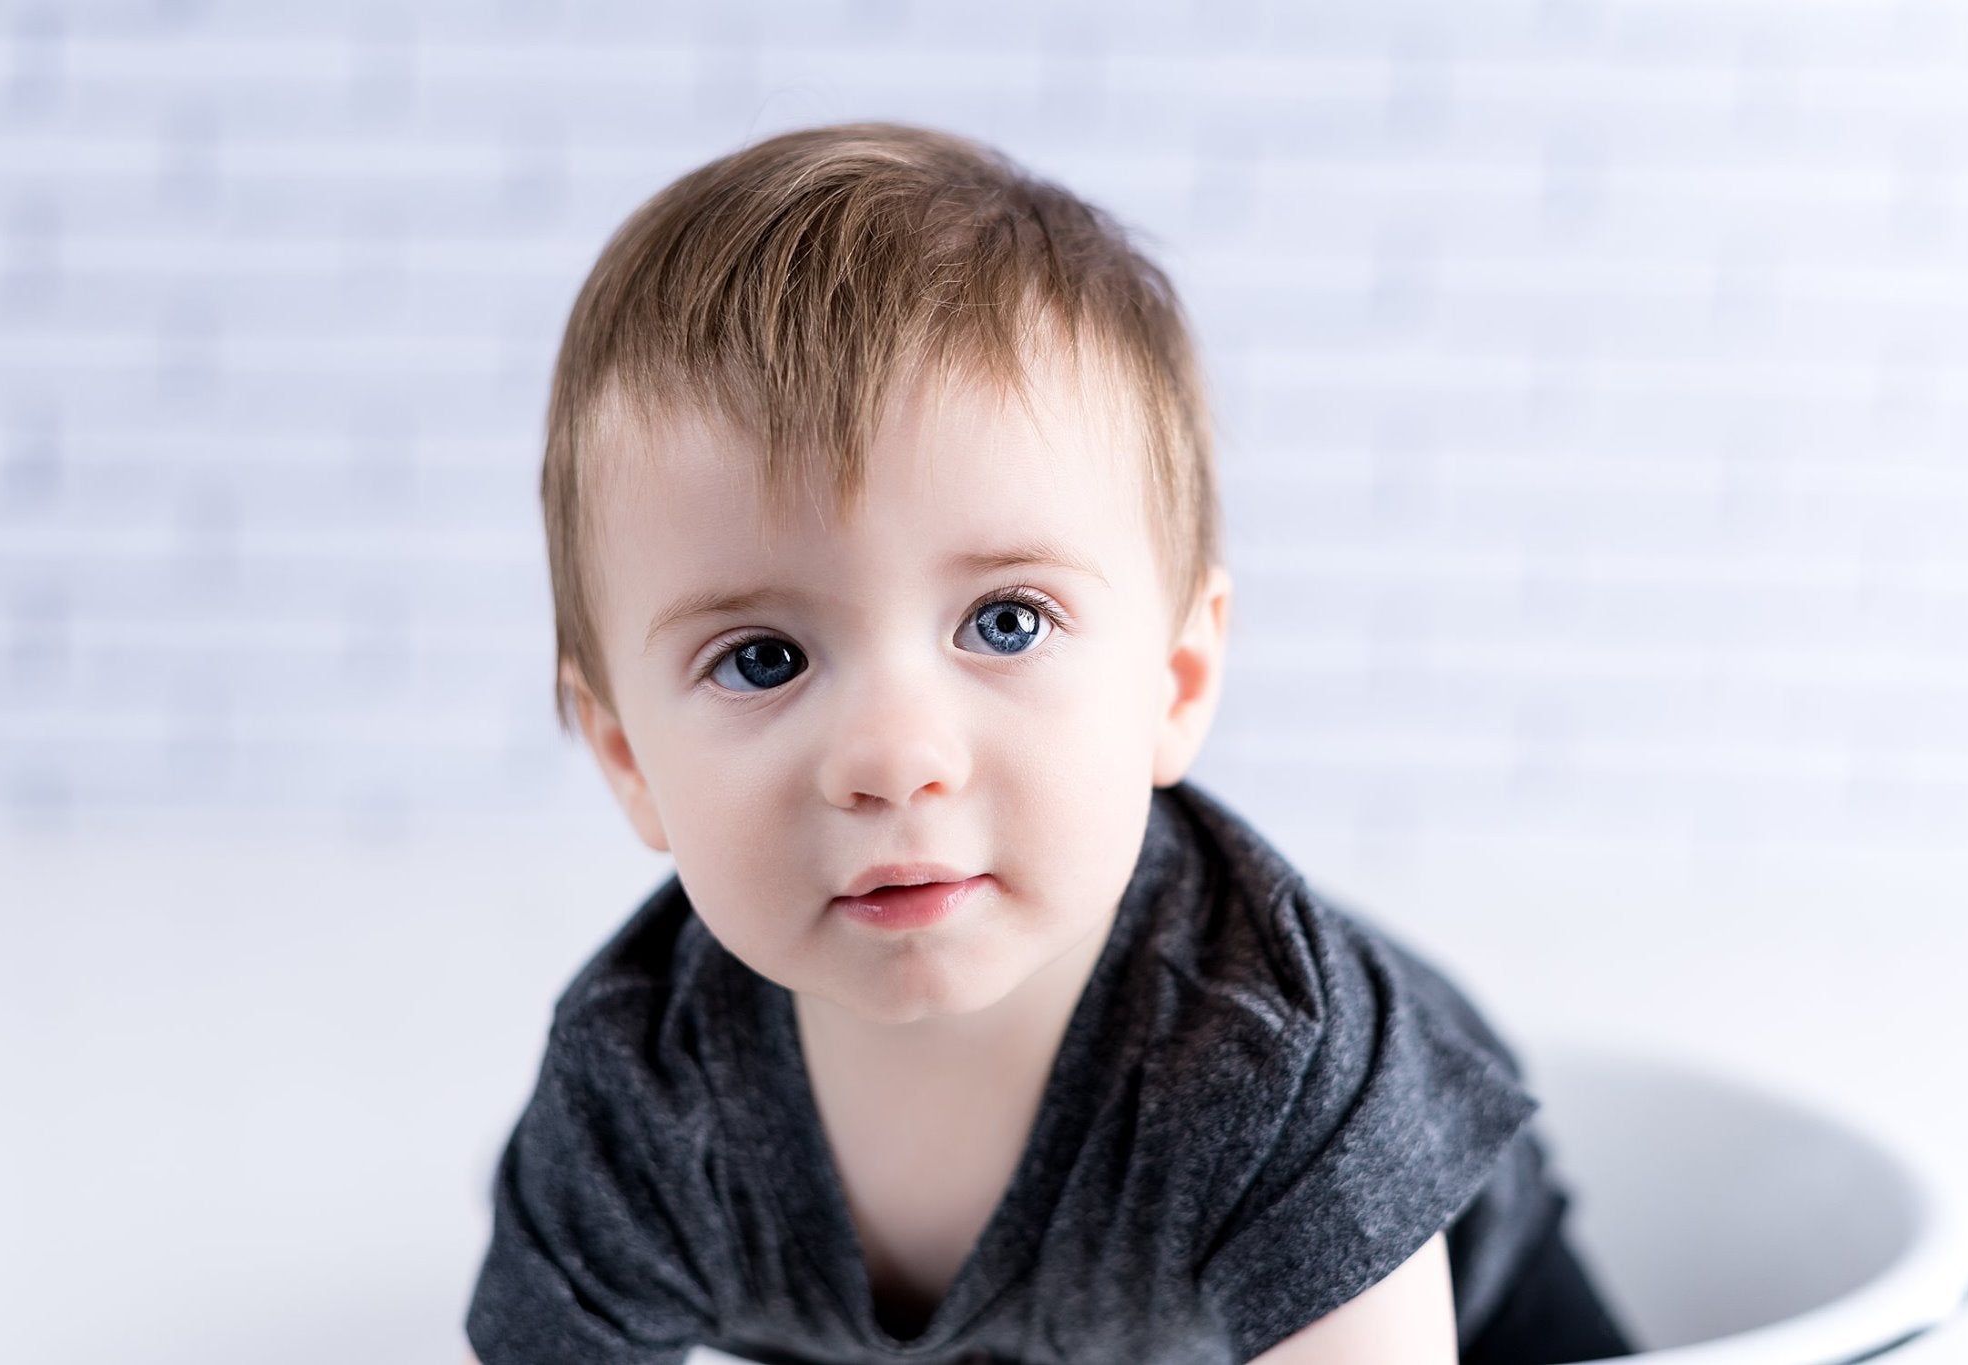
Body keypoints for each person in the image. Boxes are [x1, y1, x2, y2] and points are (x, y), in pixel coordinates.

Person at [464, 121, 1636, 1365]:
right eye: (763, 658)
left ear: (1174, 682)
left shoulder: (1268, 1061)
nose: (893, 756)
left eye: (1005, 622)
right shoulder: (641, 1091)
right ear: (629, 758)